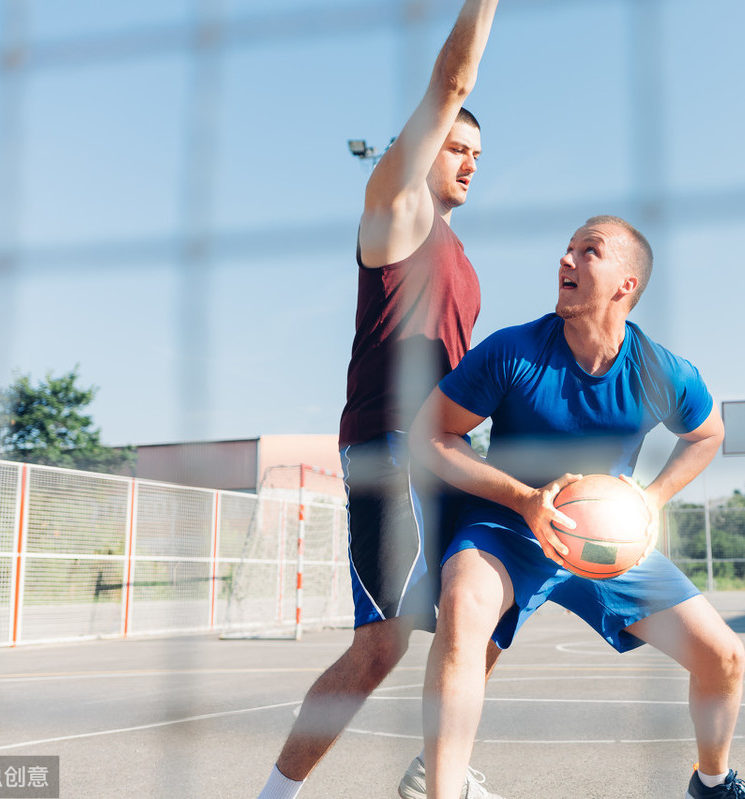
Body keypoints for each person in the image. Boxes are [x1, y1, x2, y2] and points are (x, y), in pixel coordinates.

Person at [410, 216, 745, 798]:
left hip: (605, 536)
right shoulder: (513, 351)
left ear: (626, 284)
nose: (566, 261)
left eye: (588, 252)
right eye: (567, 249)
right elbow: (432, 435)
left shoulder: (659, 370)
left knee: (724, 656)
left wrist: (650, 499)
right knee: (464, 607)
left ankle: (712, 781)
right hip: (508, 523)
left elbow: (707, 434)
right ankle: (440, 787)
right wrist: (523, 499)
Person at [256, 2, 504, 798]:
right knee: (379, 645)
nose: (467, 161)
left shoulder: (463, 259)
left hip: (449, 453)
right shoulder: (397, 211)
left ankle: (440, 770)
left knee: (487, 609)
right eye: (455, 146)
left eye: (477, 152)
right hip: (392, 445)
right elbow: (455, 75)